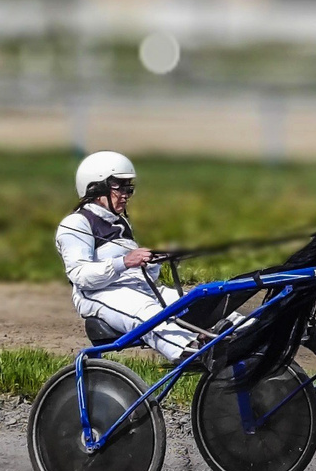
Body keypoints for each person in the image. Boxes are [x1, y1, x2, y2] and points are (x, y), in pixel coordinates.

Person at [54, 152, 206, 362]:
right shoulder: (75, 225)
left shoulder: (120, 223)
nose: (126, 195)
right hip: (100, 294)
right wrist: (124, 262)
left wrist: (154, 260)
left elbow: (143, 276)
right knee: (149, 313)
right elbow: (80, 276)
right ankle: (192, 351)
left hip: (138, 289)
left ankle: (242, 334)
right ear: (96, 189)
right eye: (119, 188)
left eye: (129, 188)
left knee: (200, 300)